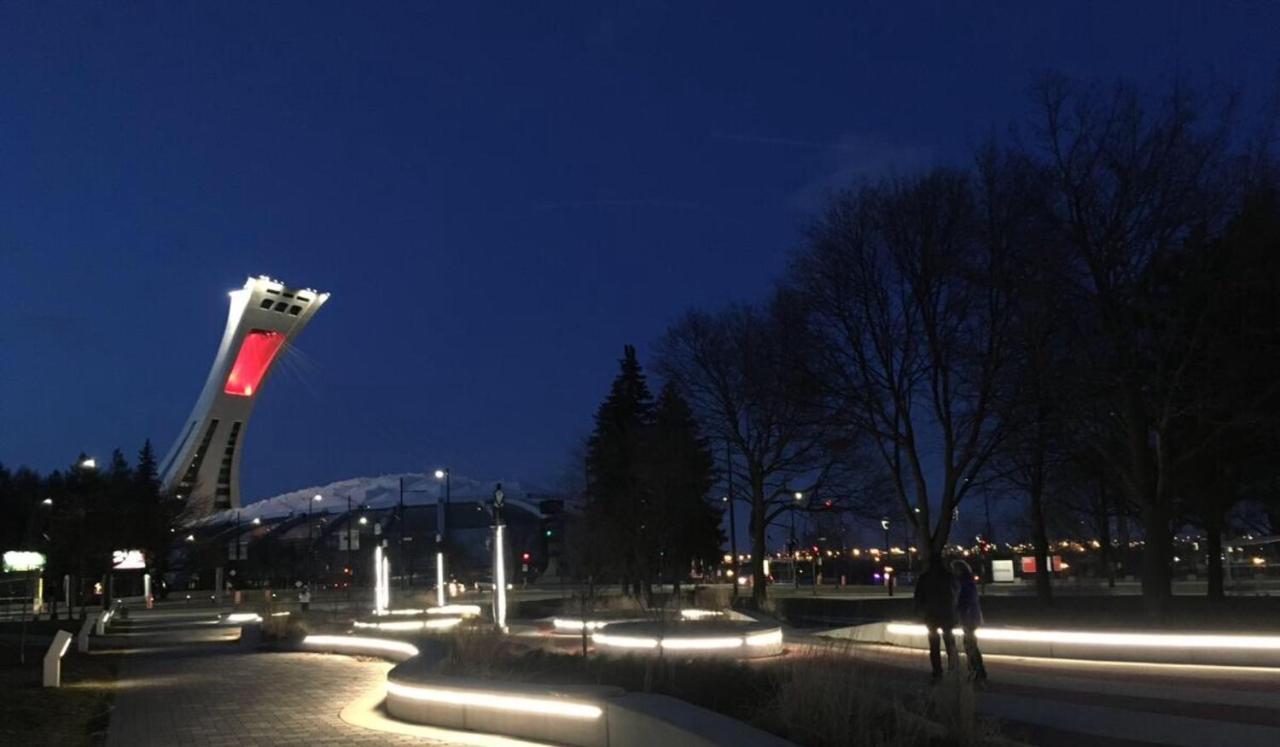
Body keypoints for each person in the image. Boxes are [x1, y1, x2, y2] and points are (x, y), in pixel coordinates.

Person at [913, 554, 958, 680]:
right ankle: (954, 669)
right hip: (947, 614)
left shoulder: (925, 578)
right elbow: (955, 593)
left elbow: (918, 597)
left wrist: (920, 611)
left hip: (931, 615)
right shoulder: (948, 576)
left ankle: (937, 672)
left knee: (934, 645)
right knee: (950, 643)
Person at [952, 559, 988, 681]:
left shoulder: (964, 583)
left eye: (955, 569)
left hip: (969, 617)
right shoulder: (968, 581)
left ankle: (977, 671)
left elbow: (964, 600)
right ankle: (976, 670)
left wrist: (959, 610)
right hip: (971, 617)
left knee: (970, 645)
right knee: (970, 644)